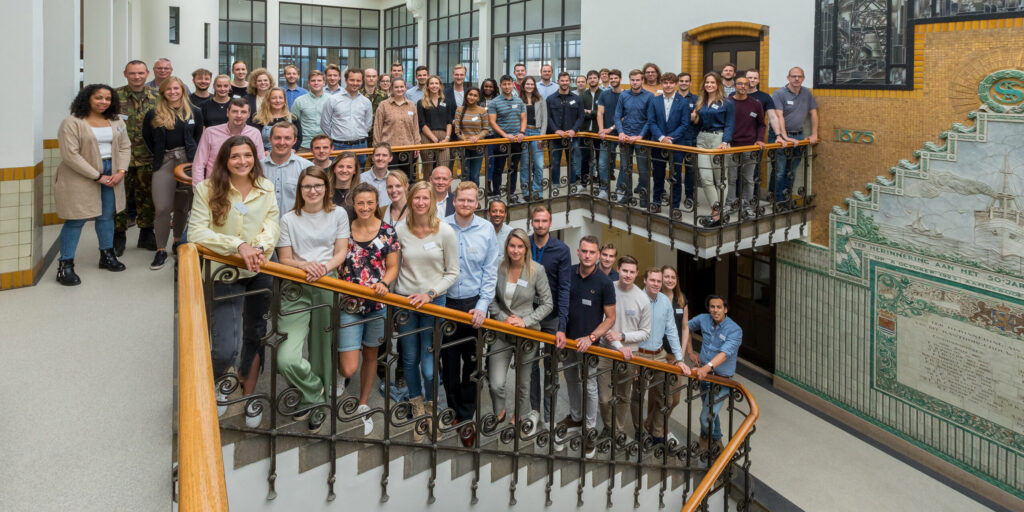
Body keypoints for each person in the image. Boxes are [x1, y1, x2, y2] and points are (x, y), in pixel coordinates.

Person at [188, 136, 279, 428]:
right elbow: (196, 233)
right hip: (224, 272)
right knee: (226, 344)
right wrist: (238, 246)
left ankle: (249, 393)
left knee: (255, 333)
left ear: (255, 157)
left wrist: (260, 247)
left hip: (259, 270)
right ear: (225, 160)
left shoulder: (266, 188)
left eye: (247, 155)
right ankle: (214, 385)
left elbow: (272, 223)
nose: (242, 161)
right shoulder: (207, 189)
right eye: (235, 156)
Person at [276, 166, 349, 433]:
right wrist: (306, 266)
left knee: (321, 349)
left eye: (318, 185)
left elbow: (342, 251)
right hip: (296, 287)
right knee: (286, 356)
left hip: (327, 283)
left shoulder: (338, 214)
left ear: (326, 188)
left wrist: (324, 267)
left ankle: (316, 406)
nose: (313, 191)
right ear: (300, 190)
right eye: (307, 186)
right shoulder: (288, 219)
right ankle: (314, 392)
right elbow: (284, 259)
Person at [394, 181, 460, 442]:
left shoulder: (445, 231)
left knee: (430, 366)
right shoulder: (400, 230)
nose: (420, 202)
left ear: (432, 201)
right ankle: (417, 405)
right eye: (416, 198)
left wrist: (430, 293)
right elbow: (394, 267)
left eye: (425, 198)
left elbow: (453, 272)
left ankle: (432, 406)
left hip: (433, 302)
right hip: (405, 303)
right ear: (410, 201)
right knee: (409, 360)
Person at [442, 181, 501, 447]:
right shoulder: (441, 226)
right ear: (454, 201)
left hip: (474, 305)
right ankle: (454, 411)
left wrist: (483, 304)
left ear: (477, 203)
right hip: (445, 303)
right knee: (450, 364)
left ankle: (466, 417)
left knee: (474, 364)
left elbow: (490, 271)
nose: (466, 204)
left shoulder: (487, 229)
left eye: (471, 200)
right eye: (461, 200)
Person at [54, 84, 131, 285]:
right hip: (81, 174)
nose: (103, 102)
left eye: (107, 98)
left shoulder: (116, 122)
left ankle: (107, 256)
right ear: (87, 98)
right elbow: (70, 155)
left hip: (111, 172)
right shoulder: (72, 122)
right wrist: (97, 176)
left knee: (106, 217)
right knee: (76, 219)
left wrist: (121, 171)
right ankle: (65, 266)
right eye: (98, 98)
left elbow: (125, 147)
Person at [341, 182, 400, 435]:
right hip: (349, 303)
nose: (365, 207)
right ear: (353, 204)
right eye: (360, 203)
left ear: (377, 204)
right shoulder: (343, 230)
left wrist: (384, 283)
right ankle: (338, 377)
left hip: (377, 303)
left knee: (371, 356)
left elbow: (393, 266)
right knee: (348, 366)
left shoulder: (388, 231)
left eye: (370, 203)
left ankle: (363, 402)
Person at [487, 228, 553, 428]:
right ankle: (500, 411)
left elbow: (547, 304)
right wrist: (503, 318)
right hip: (502, 332)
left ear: (526, 248)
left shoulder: (537, 270)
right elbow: (491, 300)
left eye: (520, 246)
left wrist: (525, 321)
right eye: (512, 246)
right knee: (496, 382)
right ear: (506, 247)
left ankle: (519, 415)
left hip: (527, 334)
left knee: (523, 383)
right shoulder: (498, 268)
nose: (515, 251)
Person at [557, 236, 616, 457]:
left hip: (589, 345)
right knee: (571, 379)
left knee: (590, 387)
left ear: (598, 255)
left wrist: (591, 337)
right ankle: (576, 415)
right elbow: (561, 303)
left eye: (592, 252)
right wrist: (560, 329)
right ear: (578, 252)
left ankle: (589, 429)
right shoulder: (569, 273)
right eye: (584, 251)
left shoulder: (605, 283)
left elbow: (610, 318)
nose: (587, 256)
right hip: (567, 340)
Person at [141, 76, 203, 269]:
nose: (173, 92)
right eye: (169, 89)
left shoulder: (195, 112)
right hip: (164, 162)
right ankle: (161, 249)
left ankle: (177, 241)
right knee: (162, 207)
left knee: (183, 206)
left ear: (183, 91)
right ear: (163, 92)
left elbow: (198, 136)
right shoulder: (153, 114)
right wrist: (163, 154)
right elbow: (148, 139)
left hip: (187, 162)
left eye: (177, 88)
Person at [527, 205, 571, 433]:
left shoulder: (561, 250)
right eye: (537, 221)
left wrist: (562, 326)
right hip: (529, 314)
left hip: (552, 318)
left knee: (551, 367)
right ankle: (534, 411)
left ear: (550, 223)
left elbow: (564, 289)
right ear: (531, 222)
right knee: (531, 365)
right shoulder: (524, 244)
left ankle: (549, 414)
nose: (540, 225)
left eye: (544, 221)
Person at [597, 255, 651, 437]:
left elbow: (645, 332)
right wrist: (617, 343)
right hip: (606, 349)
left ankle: (616, 431)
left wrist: (622, 336)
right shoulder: (607, 289)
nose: (628, 275)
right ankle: (609, 426)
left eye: (632, 272)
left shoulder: (642, 299)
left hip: (629, 353)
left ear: (636, 273)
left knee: (623, 395)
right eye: (625, 270)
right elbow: (603, 322)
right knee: (604, 398)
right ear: (618, 270)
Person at [635, 267, 690, 444]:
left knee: (665, 397)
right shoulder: (636, 298)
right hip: (639, 355)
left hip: (659, 355)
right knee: (637, 396)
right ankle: (639, 431)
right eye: (654, 280)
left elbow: (673, 330)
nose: (657, 284)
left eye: (659, 281)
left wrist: (681, 359)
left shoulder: (666, 302)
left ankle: (657, 432)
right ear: (645, 280)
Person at [113, 60, 158, 255]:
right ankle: (119, 235)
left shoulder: (158, 97)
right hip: (120, 158)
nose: (137, 77)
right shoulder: (114, 96)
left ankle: (146, 233)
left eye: (140, 73)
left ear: (147, 74)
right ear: (125, 74)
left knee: (147, 197)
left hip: (148, 156)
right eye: (132, 73)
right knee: (119, 198)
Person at [688, 295, 743, 453]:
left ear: (725, 309)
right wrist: (690, 352)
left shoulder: (734, 330)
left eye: (719, 307)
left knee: (705, 418)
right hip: (705, 378)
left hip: (721, 380)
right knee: (712, 413)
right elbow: (686, 327)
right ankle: (713, 442)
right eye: (712, 307)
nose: (715, 310)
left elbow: (725, 354)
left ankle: (711, 441)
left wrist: (705, 368)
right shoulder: (703, 319)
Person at [690, 72, 735, 225]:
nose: (709, 85)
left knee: (721, 178)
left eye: (712, 82)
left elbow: (730, 124)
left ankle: (717, 212)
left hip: (719, 139)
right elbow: (698, 122)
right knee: (706, 178)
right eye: (707, 82)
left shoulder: (726, 103)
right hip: (702, 139)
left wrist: (725, 141)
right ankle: (717, 210)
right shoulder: (701, 101)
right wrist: (694, 117)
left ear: (718, 85)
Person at [770, 67, 819, 202]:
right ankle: (777, 200)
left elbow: (813, 113)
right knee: (779, 171)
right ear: (788, 78)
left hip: (799, 136)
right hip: (780, 136)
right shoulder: (779, 94)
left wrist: (814, 134)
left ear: (803, 78)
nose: (796, 79)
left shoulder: (806, 93)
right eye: (793, 76)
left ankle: (786, 199)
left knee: (792, 170)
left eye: (799, 76)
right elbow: (779, 116)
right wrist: (785, 137)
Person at [192, 98, 265, 185]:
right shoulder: (210, 132)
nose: (239, 115)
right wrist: (198, 189)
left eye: (243, 112)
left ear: (248, 114)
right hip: (215, 185)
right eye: (234, 111)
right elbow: (199, 164)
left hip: (245, 186)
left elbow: (260, 163)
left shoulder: (255, 133)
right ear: (227, 113)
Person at [647, 72, 691, 211]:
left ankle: (675, 207)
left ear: (676, 84)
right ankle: (656, 203)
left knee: (676, 177)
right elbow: (651, 121)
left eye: (671, 83)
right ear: (662, 84)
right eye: (665, 83)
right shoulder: (655, 100)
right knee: (658, 175)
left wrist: (670, 139)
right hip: (658, 143)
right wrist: (661, 138)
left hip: (676, 144)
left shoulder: (683, 102)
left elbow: (685, 124)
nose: (668, 85)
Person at [613, 70, 654, 207]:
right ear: (629, 80)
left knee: (643, 171)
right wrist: (620, 132)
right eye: (632, 80)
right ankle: (627, 195)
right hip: (625, 138)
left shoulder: (649, 97)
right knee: (626, 169)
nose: (635, 82)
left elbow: (650, 120)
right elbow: (617, 116)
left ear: (642, 80)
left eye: (637, 80)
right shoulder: (623, 95)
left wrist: (640, 135)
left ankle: (644, 199)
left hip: (641, 139)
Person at [727, 75, 766, 217]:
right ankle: (730, 205)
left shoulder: (756, 104)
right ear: (734, 86)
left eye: (745, 84)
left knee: (749, 179)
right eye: (740, 84)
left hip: (750, 147)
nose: (743, 86)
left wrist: (760, 139)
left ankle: (748, 207)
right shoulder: (727, 102)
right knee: (731, 178)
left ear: (749, 86)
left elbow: (762, 124)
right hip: (732, 147)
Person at [321, 67, 372, 167]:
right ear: (346, 80)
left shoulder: (366, 102)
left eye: (358, 80)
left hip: (360, 146)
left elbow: (368, 124)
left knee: (359, 175)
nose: (355, 83)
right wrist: (337, 137)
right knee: (337, 173)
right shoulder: (333, 100)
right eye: (352, 80)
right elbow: (324, 123)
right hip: (338, 146)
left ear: (362, 81)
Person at [260, 122, 312, 215]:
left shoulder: (307, 168)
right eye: (277, 138)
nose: (282, 142)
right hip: (264, 227)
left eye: (287, 138)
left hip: (296, 226)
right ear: (270, 139)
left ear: (294, 141)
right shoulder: (258, 168)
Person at [487, 75, 526, 199]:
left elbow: (523, 118)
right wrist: (505, 135)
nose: (507, 86)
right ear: (500, 85)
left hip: (516, 140)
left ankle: (511, 193)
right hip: (501, 140)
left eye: (509, 84)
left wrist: (522, 132)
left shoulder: (519, 101)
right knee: (498, 168)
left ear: (512, 84)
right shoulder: (494, 102)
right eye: (504, 84)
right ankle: (497, 194)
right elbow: (492, 122)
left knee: (513, 168)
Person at [373, 78, 419, 177]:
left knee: (408, 179)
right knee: (390, 178)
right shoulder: (383, 105)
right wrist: (377, 148)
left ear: (405, 88)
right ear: (392, 88)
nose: (399, 89)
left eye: (401, 87)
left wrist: (417, 145)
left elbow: (415, 126)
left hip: (409, 148)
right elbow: (377, 127)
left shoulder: (411, 105)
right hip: (389, 150)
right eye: (396, 87)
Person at [546, 72, 584, 187]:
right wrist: (556, 130)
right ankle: (555, 184)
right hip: (555, 137)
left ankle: (572, 182)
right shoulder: (550, 99)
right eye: (562, 80)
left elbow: (581, 116)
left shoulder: (577, 99)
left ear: (570, 81)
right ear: (558, 81)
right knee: (555, 162)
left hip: (572, 136)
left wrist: (573, 130)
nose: (564, 83)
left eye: (566, 80)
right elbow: (548, 117)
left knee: (572, 161)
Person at [451, 86, 489, 186]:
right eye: (470, 94)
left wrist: (477, 137)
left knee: (475, 175)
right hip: (464, 147)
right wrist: (466, 139)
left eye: (475, 95)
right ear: (466, 96)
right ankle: (463, 197)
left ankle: (474, 197)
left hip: (478, 147)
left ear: (478, 98)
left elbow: (486, 129)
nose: (472, 97)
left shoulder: (482, 111)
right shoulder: (459, 109)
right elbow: (457, 129)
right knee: (465, 174)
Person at [417, 75, 453, 176]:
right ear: (427, 86)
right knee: (428, 169)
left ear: (440, 86)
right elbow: (422, 123)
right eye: (431, 83)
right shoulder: (421, 103)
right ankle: (428, 191)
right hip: (427, 138)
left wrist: (447, 138)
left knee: (444, 169)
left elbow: (449, 122)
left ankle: (444, 191)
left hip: (444, 137)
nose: (434, 86)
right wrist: (433, 139)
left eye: (436, 83)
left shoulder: (446, 101)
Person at [519, 76, 548, 200]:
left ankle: (538, 191)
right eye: (527, 84)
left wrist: (541, 136)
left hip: (537, 133)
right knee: (525, 165)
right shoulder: (518, 99)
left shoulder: (540, 99)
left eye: (532, 84)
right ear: (523, 85)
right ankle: (525, 192)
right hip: (524, 133)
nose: (529, 86)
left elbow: (545, 119)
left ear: (534, 86)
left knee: (538, 164)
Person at [595, 69, 622, 199]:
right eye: (611, 78)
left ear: (620, 79)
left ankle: (620, 189)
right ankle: (604, 189)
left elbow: (626, 116)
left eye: (616, 78)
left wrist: (611, 128)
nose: (613, 80)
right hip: (606, 134)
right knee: (602, 163)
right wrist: (601, 129)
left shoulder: (625, 95)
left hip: (622, 134)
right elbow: (600, 113)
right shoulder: (604, 95)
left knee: (623, 164)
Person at [576, 70, 602, 185]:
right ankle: (584, 182)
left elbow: (603, 113)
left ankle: (601, 182)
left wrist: (590, 112)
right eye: (590, 78)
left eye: (594, 78)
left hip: (599, 132)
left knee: (601, 159)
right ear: (588, 81)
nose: (592, 80)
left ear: (598, 79)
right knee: (584, 158)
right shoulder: (583, 95)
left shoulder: (603, 94)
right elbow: (580, 113)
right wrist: (595, 113)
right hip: (585, 132)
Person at [677, 73, 700, 203]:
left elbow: (698, 119)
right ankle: (676, 195)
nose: (684, 83)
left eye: (686, 81)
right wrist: (689, 117)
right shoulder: (673, 98)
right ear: (678, 83)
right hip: (676, 139)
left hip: (692, 138)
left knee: (691, 170)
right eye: (681, 81)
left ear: (690, 83)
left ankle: (689, 196)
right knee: (676, 169)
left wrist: (693, 117)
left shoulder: (697, 99)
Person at [292, 70, 329, 150]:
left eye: (319, 80)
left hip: (325, 145)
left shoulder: (332, 100)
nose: (316, 83)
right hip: (304, 145)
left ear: (324, 83)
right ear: (308, 83)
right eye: (313, 80)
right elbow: (293, 124)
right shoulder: (299, 101)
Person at [743, 69, 782, 142]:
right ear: (744, 79)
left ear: (758, 81)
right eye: (750, 78)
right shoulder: (734, 95)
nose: (752, 80)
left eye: (755, 78)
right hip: (736, 138)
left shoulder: (765, 97)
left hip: (756, 138)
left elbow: (773, 117)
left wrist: (778, 135)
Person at [361, 67, 389, 147]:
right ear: (363, 78)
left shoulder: (383, 95)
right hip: (362, 136)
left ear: (377, 78)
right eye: (368, 76)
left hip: (379, 135)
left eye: (373, 76)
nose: (371, 78)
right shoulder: (358, 95)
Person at [329, 151, 362, 219]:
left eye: (349, 167)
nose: (344, 170)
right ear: (334, 169)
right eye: (340, 166)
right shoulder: (324, 192)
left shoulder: (360, 194)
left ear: (355, 171)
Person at [361, 142, 393, 208]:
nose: (380, 158)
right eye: (377, 155)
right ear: (372, 158)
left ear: (390, 158)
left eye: (384, 155)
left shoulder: (395, 179)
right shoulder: (361, 179)